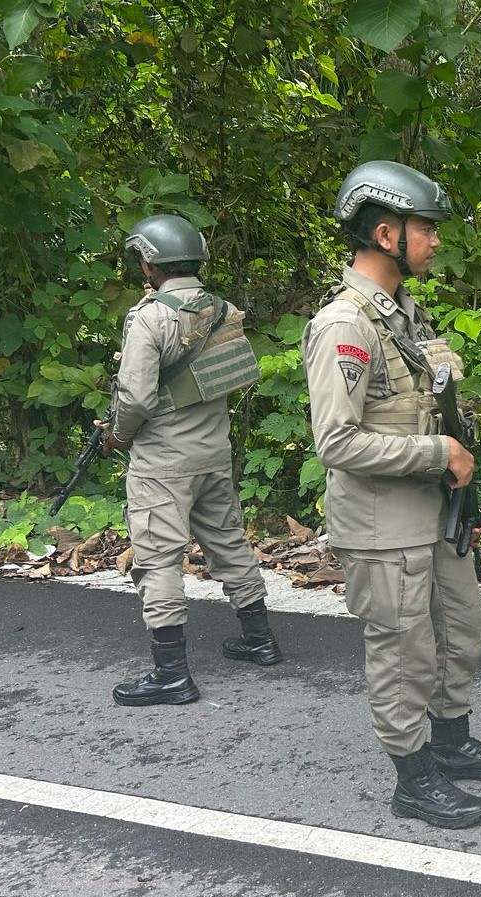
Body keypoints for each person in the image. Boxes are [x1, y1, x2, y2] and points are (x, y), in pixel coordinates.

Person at [302, 160, 481, 830]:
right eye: (424, 229)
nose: (435, 241)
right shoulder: (346, 327)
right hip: (382, 523)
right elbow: (335, 443)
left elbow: (437, 394)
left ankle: (451, 745)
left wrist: (456, 431)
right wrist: (437, 452)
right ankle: (413, 776)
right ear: (383, 232)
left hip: (435, 511)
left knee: (462, 629)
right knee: (403, 649)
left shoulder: (404, 314)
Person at [105, 214, 282, 708]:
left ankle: (171, 674)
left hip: (163, 462)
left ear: (148, 261)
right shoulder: (221, 309)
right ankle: (260, 639)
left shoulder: (150, 317)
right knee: (227, 541)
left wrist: (118, 436)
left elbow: (136, 399)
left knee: (157, 557)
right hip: (212, 454)